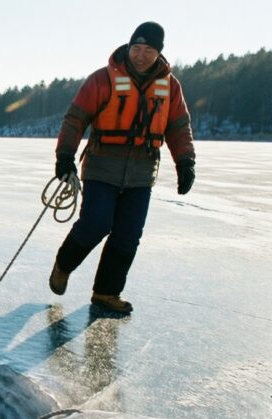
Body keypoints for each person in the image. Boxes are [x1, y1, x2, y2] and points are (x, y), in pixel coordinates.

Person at [48, 21, 196, 314]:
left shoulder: (170, 86)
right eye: (136, 48)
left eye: (148, 50)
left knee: (128, 235)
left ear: (159, 53)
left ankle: (106, 293)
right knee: (96, 224)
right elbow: (75, 118)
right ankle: (64, 264)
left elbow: (179, 126)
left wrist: (185, 161)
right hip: (102, 166)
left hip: (142, 172)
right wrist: (65, 155)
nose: (140, 55)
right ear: (128, 47)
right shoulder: (102, 79)